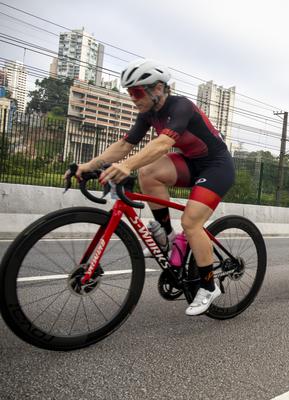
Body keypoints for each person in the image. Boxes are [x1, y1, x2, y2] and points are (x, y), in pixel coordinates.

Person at [66, 59, 234, 316]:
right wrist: (89, 165)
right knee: (148, 171)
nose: (132, 98)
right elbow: (124, 145)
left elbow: (163, 144)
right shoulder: (148, 114)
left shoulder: (181, 106)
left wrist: (126, 166)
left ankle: (209, 286)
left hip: (217, 166)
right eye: (129, 92)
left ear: (157, 88)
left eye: (136, 92)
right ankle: (166, 236)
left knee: (191, 224)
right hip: (191, 162)